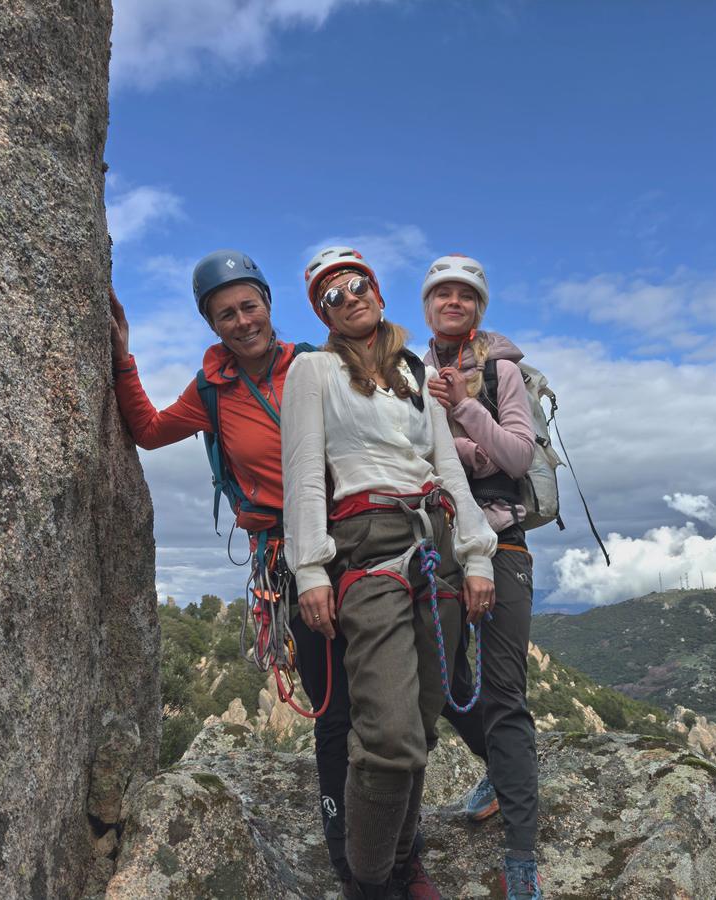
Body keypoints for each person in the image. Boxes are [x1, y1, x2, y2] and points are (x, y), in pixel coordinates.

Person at [108, 250, 363, 888]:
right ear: (212, 324)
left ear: (269, 306)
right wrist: (122, 357)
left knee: (397, 691)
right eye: (226, 313)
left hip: (358, 539)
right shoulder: (212, 390)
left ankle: (438, 801)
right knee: (334, 706)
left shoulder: (319, 364)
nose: (242, 320)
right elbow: (149, 428)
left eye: (250, 305)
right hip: (288, 559)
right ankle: (345, 845)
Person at [283, 247, 498, 900]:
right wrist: (311, 571)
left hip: (434, 546)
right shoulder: (313, 371)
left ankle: (405, 866)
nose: (348, 298)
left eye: (356, 286)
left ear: (376, 290)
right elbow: (303, 475)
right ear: (323, 312)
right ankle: (369, 883)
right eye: (331, 296)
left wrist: (478, 552)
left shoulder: (416, 372)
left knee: (424, 730)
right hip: (367, 544)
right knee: (388, 736)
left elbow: (447, 466)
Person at [421, 254, 543, 900]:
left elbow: (518, 454)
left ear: (480, 306)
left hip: (504, 545)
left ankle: (521, 858)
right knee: (441, 681)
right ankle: (499, 772)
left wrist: (465, 412)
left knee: (503, 696)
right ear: (427, 305)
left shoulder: (501, 370)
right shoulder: (411, 371)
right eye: (441, 293)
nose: (453, 301)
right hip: (437, 543)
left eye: (465, 294)